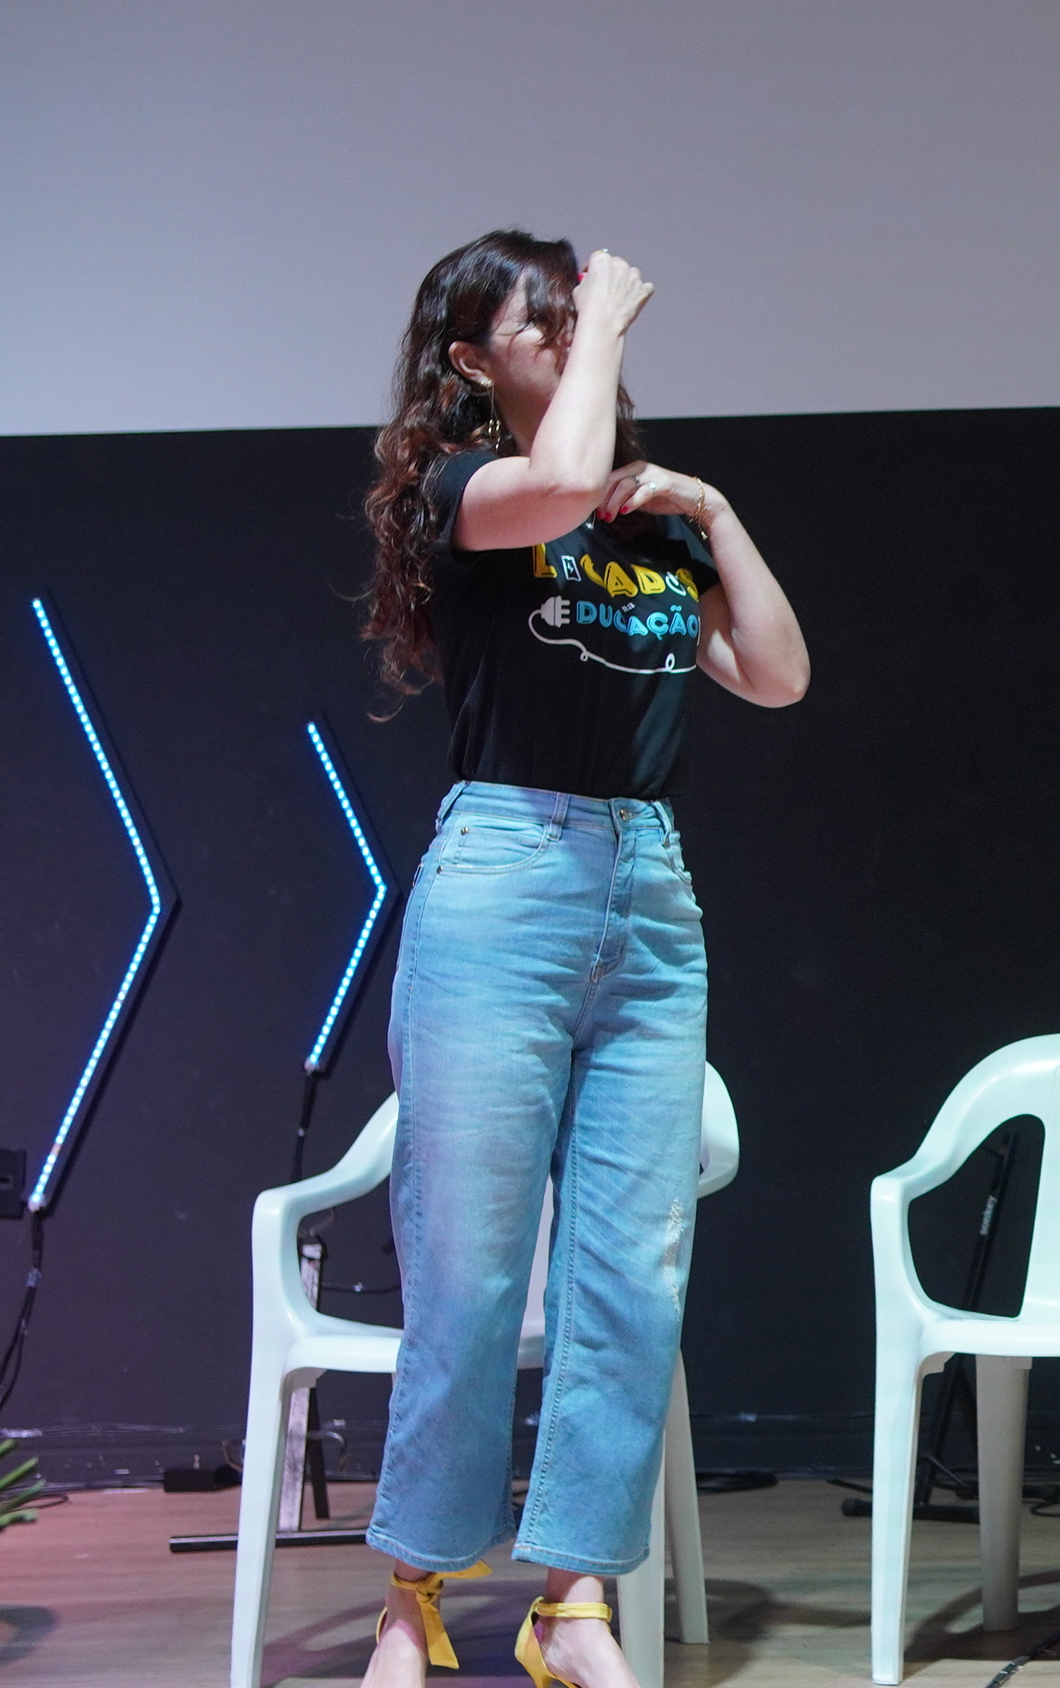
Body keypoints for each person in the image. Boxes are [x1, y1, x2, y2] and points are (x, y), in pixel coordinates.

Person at [354, 232, 809, 1688]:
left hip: (649, 887)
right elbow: (552, 485)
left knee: (632, 1274)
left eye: (576, 317)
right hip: (507, 877)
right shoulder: (466, 489)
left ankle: (574, 1604)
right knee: (472, 1266)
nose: (567, 332)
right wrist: (603, 312)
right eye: (534, 323)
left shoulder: (647, 520)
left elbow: (777, 675)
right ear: (469, 361)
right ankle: (411, 1600)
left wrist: (715, 511)